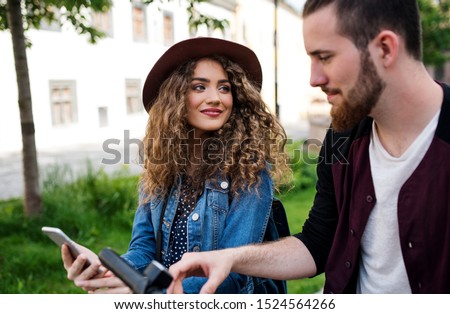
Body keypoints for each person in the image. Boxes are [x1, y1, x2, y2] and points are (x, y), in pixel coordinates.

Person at [167, 0, 450, 294]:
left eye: (324, 57)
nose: (314, 79)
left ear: (385, 49)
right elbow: (317, 245)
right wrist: (230, 258)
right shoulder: (343, 135)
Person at [60, 37, 291, 293]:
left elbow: (234, 273)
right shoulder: (161, 167)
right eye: (199, 87)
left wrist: (156, 295)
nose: (215, 98)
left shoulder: (249, 171)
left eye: (224, 88)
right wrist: (110, 272)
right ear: (176, 97)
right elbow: (143, 250)